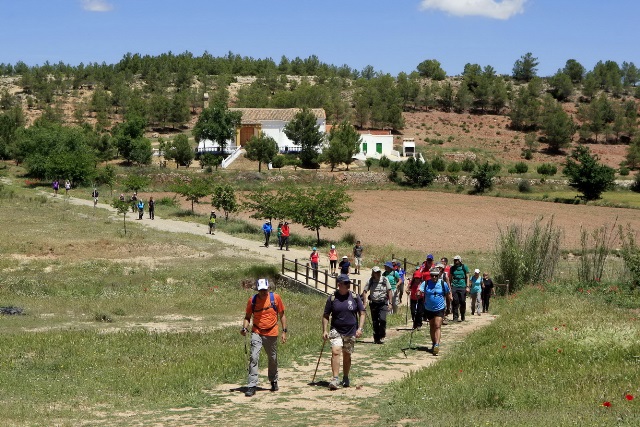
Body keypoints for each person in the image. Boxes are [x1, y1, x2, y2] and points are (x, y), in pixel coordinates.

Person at [241, 278, 287, 397]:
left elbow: (282, 315)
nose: (263, 292)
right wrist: (245, 328)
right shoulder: (252, 300)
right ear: (257, 289)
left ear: (268, 288)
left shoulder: (275, 298)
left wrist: (284, 331)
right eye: (261, 290)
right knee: (254, 357)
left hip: (271, 332)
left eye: (265, 290)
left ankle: (273, 380)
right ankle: (252, 385)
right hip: (257, 331)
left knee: (272, 358)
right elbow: (247, 316)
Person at [322, 274, 366, 390]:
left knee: (347, 355)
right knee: (336, 351)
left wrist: (360, 328)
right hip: (336, 330)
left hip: (351, 331)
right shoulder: (332, 298)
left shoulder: (355, 297)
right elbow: (326, 315)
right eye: (345, 284)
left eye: (348, 284)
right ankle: (335, 379)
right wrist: (325, 330)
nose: (348, 286)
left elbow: (362, 313)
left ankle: (345, 377)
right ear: (339, 285)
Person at [419, 268, 452, 355]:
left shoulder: (442, 283)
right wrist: (418, 293)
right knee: (432, 326)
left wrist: (449, 307)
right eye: (432, 275)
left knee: (437, 326)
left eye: (436, 276)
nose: (434, 277)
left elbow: (447, 294)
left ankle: (437, 344)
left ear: (438, 276)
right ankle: (433, 343)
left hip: (440, 308)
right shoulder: (426, 283)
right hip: (429, 308)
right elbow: (420, 290)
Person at [361, 266, 392, 344]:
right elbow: (364, 291)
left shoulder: (385, 279)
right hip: (374, 303)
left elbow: (389, 291)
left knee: (382, 319)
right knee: (375, 321)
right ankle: (376, 338)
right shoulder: (370, 281)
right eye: (376, 272)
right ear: (373, 273)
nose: (378, 273)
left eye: (378, 272)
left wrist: (390, 303)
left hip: (383, 303)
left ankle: (382, 333)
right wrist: (364, 303)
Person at [449, 255, 469, 322]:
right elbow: (450, 278)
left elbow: (467, 277)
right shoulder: (452, 268)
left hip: (462, 286)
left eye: (456, 260)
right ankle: (455, 317)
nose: (455, 261)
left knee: (462, 301)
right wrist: (450, 287)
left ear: (460, 260)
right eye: (454, 260)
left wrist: (467, 286)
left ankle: (462, 315)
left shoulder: (464, 267)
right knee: (455, 302)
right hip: (454, 286)